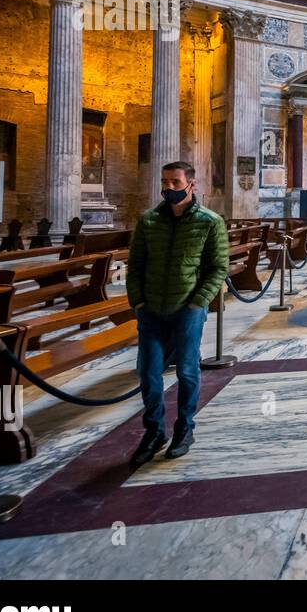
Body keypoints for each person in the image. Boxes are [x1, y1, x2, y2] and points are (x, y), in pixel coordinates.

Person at [126, 161, 229, 468]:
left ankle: (184, 428)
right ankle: (154, 431)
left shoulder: (210, 221)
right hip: (152, 310)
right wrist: (139, 302)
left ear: (191, 185)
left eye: (174, 182)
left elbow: (217, 268)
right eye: (165, 182)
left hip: (188, 309)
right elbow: (136, 265)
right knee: (148, 372)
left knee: (186, 370)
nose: (168, 187)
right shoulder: (148, 221)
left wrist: (199, 302)